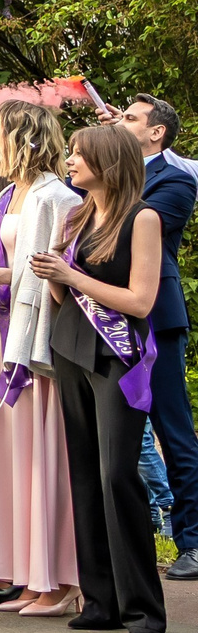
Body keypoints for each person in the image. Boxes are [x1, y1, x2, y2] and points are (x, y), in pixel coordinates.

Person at [31, 123, 169, 633]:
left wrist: (72, 278)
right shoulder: (76, 215)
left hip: (118, 356)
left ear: (106, 161)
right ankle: (100, 602)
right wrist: (53, 277)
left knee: (116, 476)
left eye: (78, 154)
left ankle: (143, 609)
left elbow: (140, 301)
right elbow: (67, 297)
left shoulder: (143, 217)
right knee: (84, 476)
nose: (69, 161)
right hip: (70, 347)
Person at [0, 99, 80, 612]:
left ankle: (58, 580)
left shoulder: (55, 195)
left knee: (41, 456)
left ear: (22, 138)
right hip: (4, 332)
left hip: (35, 341)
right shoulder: (11, 193)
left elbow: (50, 267)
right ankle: (28, 575)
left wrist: (0, 277)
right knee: (15, 457)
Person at [115, 94, 198, 581]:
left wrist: (110, 166)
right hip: (105, 315)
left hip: (156, 320)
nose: (120, 124)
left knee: (174, 431)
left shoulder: (175, 180)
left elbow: (131, 228)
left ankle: (192, 541)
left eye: (130, 119)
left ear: (156, 132)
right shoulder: (103, 174)